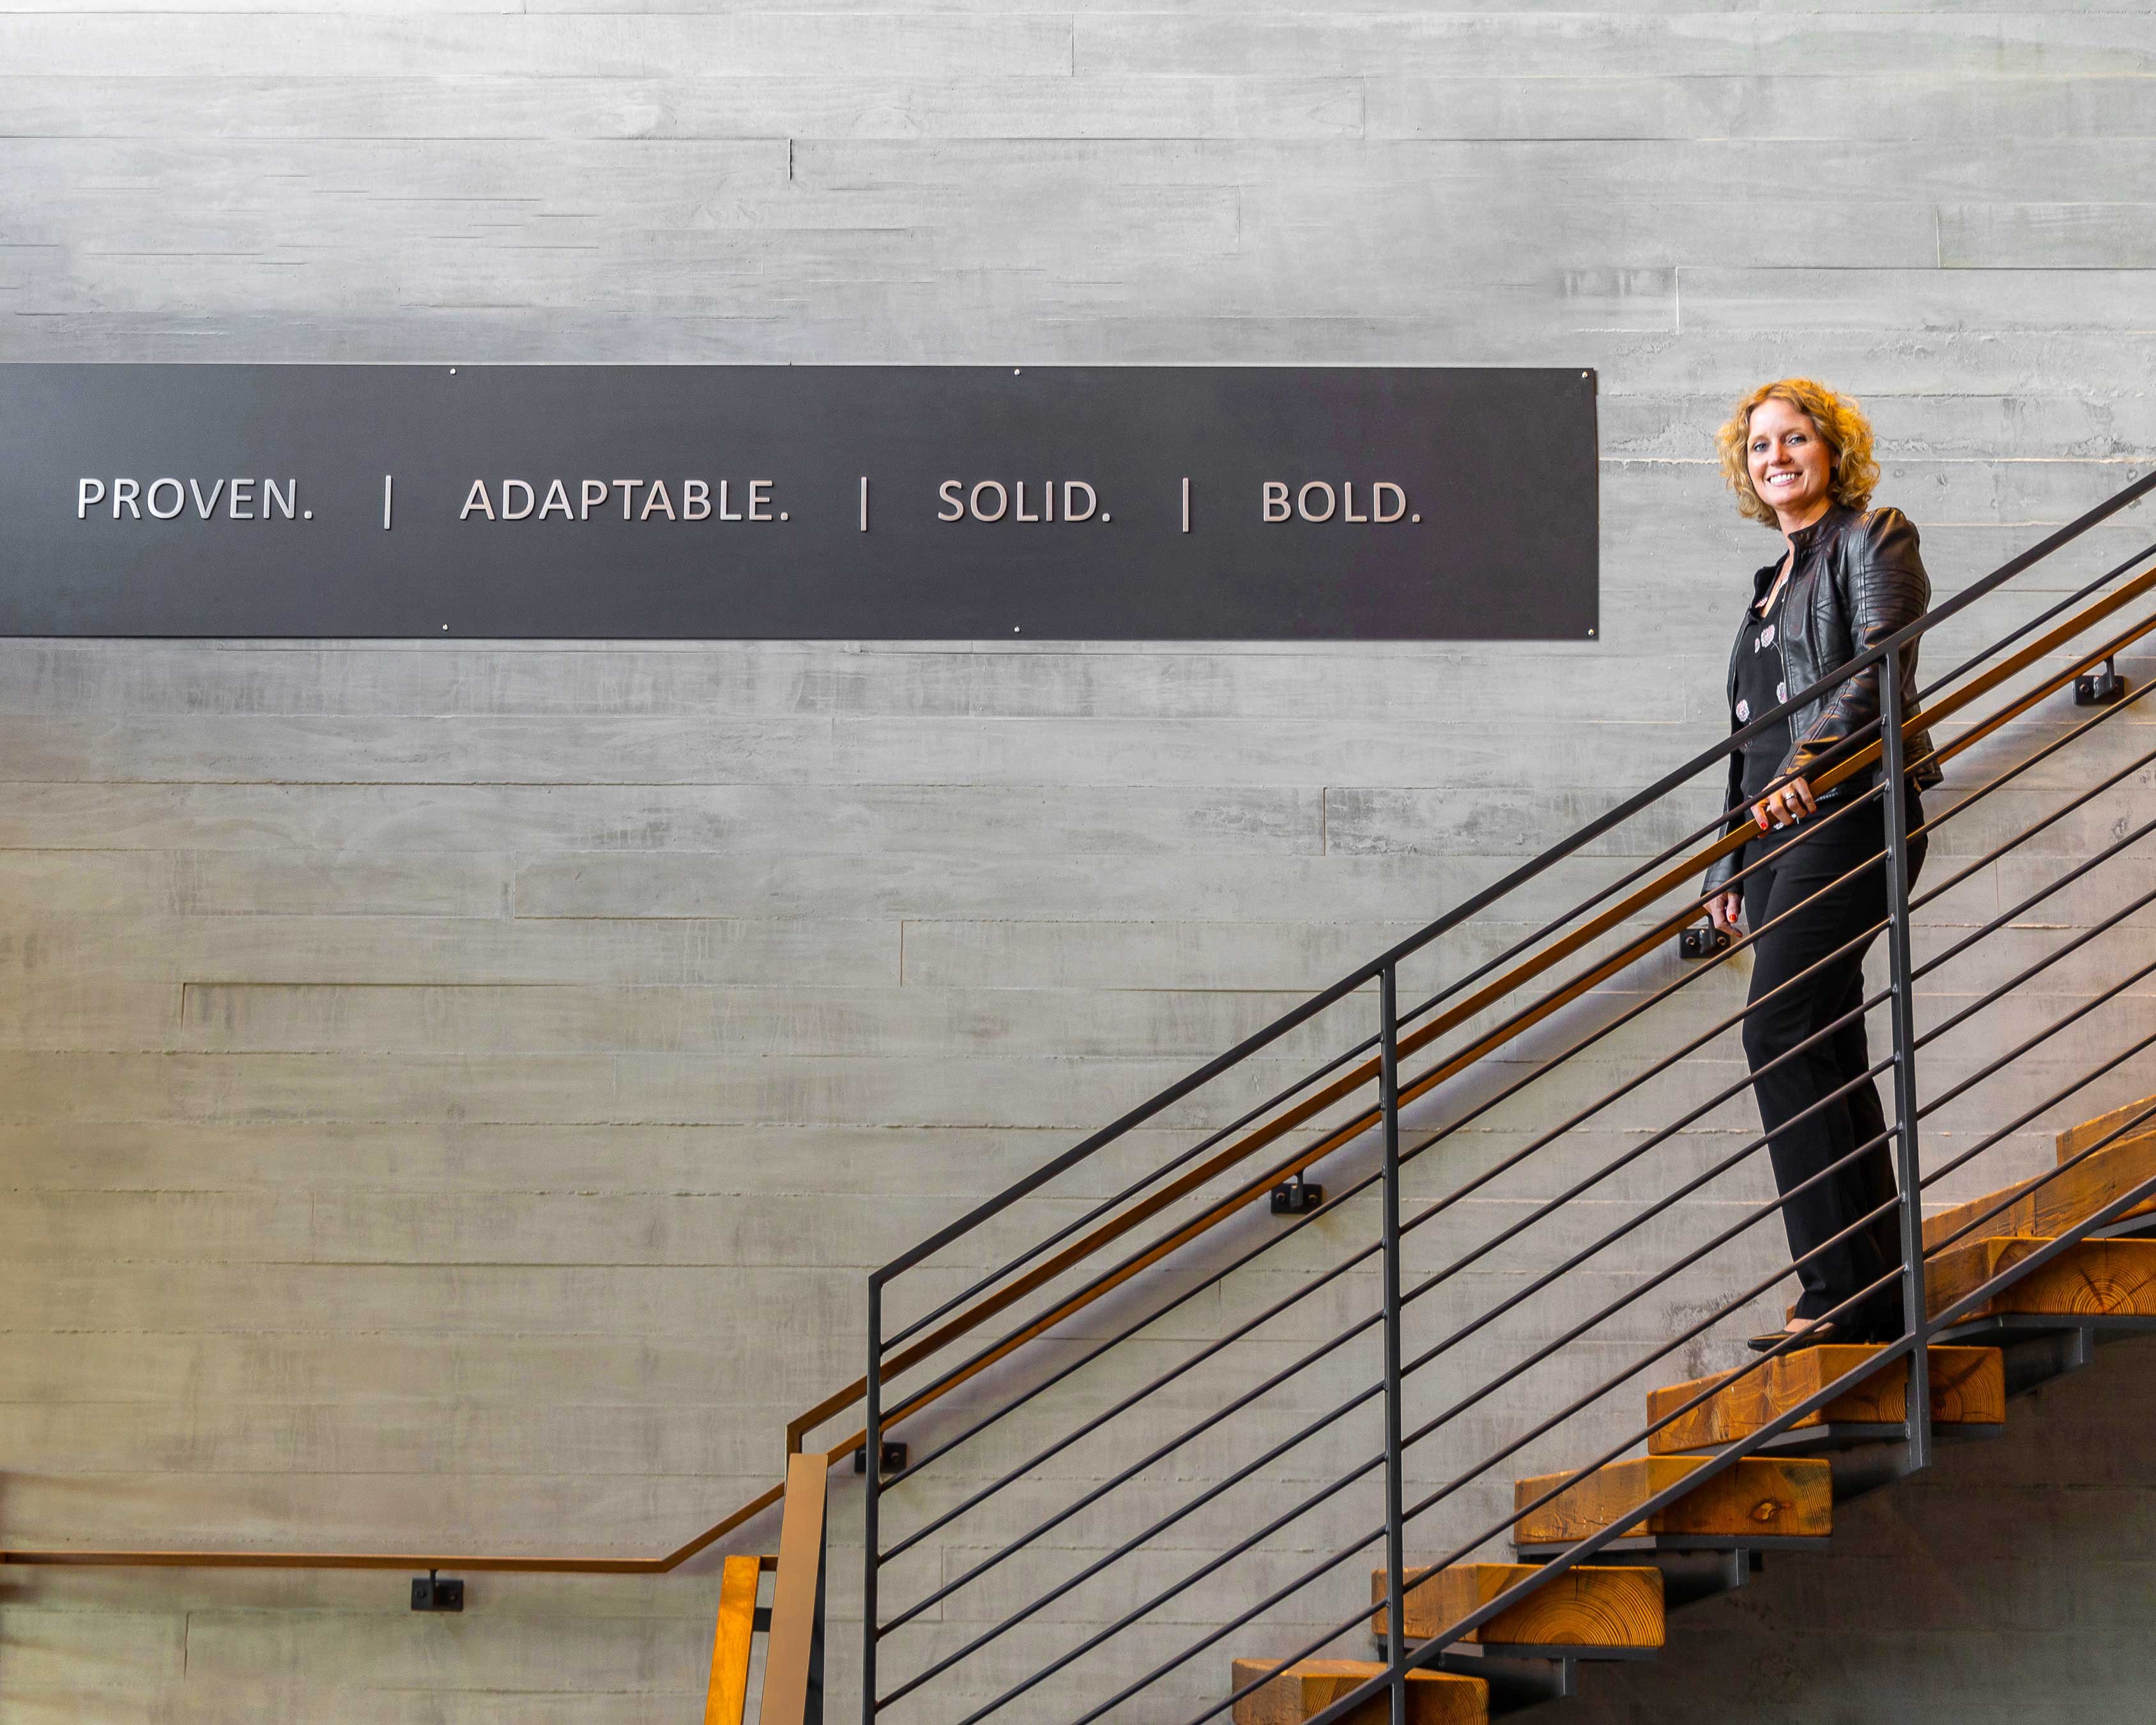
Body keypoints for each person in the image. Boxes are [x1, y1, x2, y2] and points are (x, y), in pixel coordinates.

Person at [1700, 378, 1943, 1352]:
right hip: (1771, 838)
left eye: (1795, 439)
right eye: (1761, 447)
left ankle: (1835, 1286)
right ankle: (1874, 1289)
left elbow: (1883, 660)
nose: (1778, 457)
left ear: (1831, 450)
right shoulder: (1766, 587)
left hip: (1847, 809)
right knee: (1825, 1042)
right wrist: (1725, 867)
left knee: (1780, 1027)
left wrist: (1809, 770)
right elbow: (1746, 738)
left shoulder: (1872, 537)